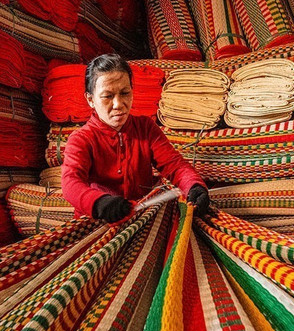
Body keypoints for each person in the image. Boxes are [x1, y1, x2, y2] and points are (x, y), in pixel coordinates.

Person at [61, 54, 210, 222]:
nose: (118, 104)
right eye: (107, 96)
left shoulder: (145, 128)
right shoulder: (81, 139)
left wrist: (194, 186)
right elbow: (70, 183)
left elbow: (174, 165)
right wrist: (99, 203)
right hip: (95, 222)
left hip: (138, 219)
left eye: (125, 93)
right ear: (90, 99)